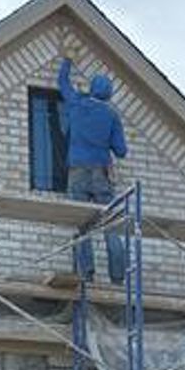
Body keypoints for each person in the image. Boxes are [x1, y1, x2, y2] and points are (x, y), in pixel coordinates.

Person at [58, 57, 128, 283]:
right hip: (100, 173)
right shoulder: (111, 115)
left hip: (77, 171)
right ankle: (118, 276)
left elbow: (63, 83)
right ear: (108, 94)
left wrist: (68, 60)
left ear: (92, 90)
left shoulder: (77, 104)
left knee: (82, 224)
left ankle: (86, 272)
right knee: (110, 224)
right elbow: (121, 151)